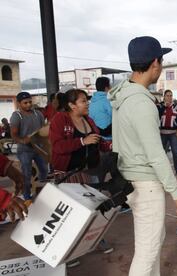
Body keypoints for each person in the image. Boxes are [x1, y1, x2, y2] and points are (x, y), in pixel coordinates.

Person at [108, 36, 177, 276]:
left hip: (130, 180)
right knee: (147, 254)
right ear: (155, 63)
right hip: (146, 185)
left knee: (149, 248)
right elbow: (155, 154)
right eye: (162, 61)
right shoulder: (141, 102)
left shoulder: (122, 95)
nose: (162, 67)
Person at [49, 89, 113, 267]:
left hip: (90, 172)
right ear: (71, 105)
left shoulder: (89, 120)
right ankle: (68, 252)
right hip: (67, 173)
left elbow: (99, 141)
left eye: (87, 100)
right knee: (70, 213)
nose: (87, 104)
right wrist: (82, 142)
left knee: (93, 208)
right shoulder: (60, 119)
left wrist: (110, 145)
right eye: (83, 101)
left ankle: (94, 239)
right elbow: (58, 147)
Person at [10, 92, 48, 200]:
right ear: (18, 103)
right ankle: (27, 196)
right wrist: (22, 140)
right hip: (24, 150)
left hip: (38, 148)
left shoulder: (38, 114)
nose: (28, 105)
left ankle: (42, 191)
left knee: (44, 170)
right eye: (25, 103)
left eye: (30, 102)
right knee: (26, 174)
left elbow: (42, 129)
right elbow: (13, 134)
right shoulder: (16, 116)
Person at [157, 90, 177, 175]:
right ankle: (161, 170)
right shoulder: (160, 106)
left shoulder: (176, 107)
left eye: (171, 96)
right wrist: (164, 106)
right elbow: (157, 116)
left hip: (173, 133)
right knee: (161, 153)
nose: (169, 97)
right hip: (162, 133)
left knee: (175, 152)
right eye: (167, 95)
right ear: (164, 97)